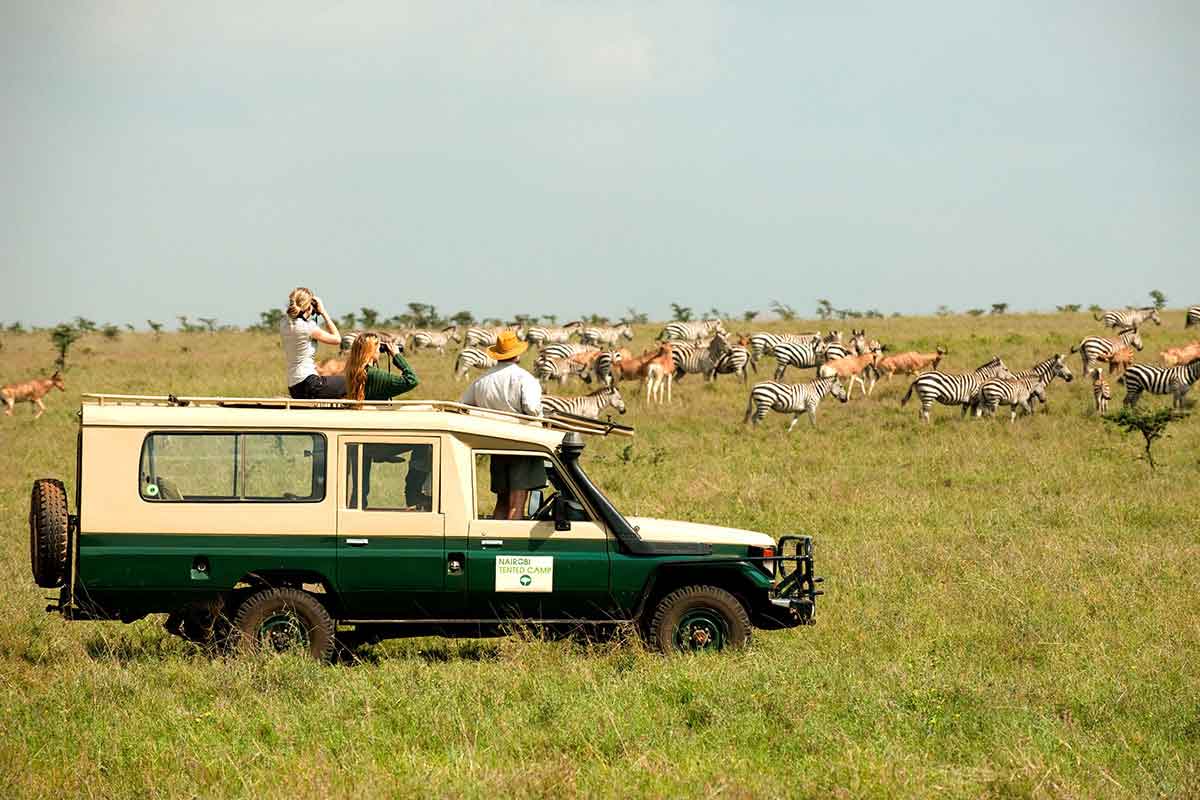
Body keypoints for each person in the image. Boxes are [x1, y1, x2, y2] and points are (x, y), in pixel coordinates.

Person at [459, 330, 547, 520]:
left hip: (494, 443)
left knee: (502, 500)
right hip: (522, 444)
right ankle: (514, 544)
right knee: (517, 502)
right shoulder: (524, 378)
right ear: (517, 354)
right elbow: (532, 409)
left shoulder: (481, 380)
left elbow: (462, 407)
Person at [280, 287, 344, 399]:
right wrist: (323, 312)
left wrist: (310, 310)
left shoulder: (284, 323)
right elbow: (337, 339)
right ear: (309, 306)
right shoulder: (308, 327)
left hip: (294, 387)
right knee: (348, 382)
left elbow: (298, 318)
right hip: (310, 383)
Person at [343, 332, 420, 401]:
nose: (379, 352)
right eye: (379, 348)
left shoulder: (352, 371)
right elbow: (412, 380)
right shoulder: (376, 375)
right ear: (372, 351)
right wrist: (397, 356)